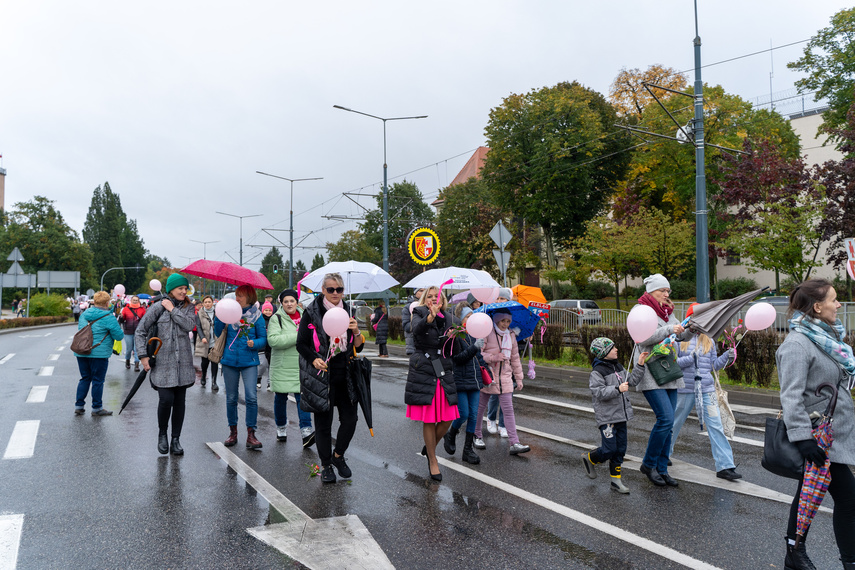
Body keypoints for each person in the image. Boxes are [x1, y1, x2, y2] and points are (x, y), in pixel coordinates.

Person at [776, 279, 855, 570]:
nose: (838, 305)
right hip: (818, 439)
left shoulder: (826, 339)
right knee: (848, 500)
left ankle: (793, 554)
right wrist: (803, 438)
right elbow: (791, 396)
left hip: (831, 436)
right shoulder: (797, 344)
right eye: (834, 300)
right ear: (817, 306)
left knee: (808, 495)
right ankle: (847, 560)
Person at [297, 273, 364, 483]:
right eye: (331, 290)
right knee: (324, 424)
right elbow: (301, 344)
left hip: (345, 373)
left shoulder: (349, 311)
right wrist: (314, 359)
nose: (335, 294)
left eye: (339, 290)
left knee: (351, 420)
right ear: (323, 291)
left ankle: (338, 456)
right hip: (321, 374)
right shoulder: (311, 312)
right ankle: (326, 465)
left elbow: (358, 345)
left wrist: (357, 331)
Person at [671, 307, 741, 481]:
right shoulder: (679, 339)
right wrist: (690, 358)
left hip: (707, 389)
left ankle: (725, 466)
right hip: (685, 389)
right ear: (689, 319)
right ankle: (663, 455)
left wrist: (726, 355)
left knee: (716, 425)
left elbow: (713, 366)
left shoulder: (708, 339)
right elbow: (673, 364)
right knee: (673, 424)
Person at [634, 274, 687, 487]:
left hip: (668, 371)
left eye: (668, 291)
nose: (666, 294)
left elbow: (678, 337)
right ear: (651, 291)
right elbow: (642, 337)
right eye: (663, 290)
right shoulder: (640, 311)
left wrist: (689, 330)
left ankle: (662, 469)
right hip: (649, 371)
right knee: (665, 419)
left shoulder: (668, 313)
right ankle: (648, 464)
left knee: (669, 425)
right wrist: (669, 329)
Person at [135, 274, 197, 455]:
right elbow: (140, 331)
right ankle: (162, 434)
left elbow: (188, 325)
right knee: (166, 400)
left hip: (183, 364)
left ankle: (175, 439)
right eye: (180, 289)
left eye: (186, 289)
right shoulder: (157, 307)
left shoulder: (188, 307)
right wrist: (143, 356)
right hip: (162, 363)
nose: (184, 291)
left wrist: (172, 310)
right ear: (171, 289)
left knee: (179, 402)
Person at [405, 286, 459, 481]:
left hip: (443, 368)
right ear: (424, 300)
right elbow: (416, 333)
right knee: (429, 418)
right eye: (430, 296)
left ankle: (430, 448)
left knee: (448, 417)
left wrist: (456, 337)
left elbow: (457, 348)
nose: (434, 299)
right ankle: (433, 460)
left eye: (437, 296)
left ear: (443, 300)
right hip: (425, 369)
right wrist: (430, 318)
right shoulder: (418, 313)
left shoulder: (451, 318)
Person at [582, 337, 648, 494]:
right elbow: (598, 392)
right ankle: (590, 458)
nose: (616, 349)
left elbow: (631, 381)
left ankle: (615, 481)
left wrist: (640, 364)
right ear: (604, 353)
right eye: (612, 348)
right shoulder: (597, 372)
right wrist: (617, 389)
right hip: (607, 419)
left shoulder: (617, 366)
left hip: (621, 417)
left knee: (620, 450)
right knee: (609, 449)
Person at [214, 284, 267, 450]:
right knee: (231, 398)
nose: (237, 298)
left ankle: (251, 434)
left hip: (249, 362)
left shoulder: (257, 316)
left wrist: (254, 343)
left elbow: (263, 339)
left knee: (251, 397)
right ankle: (233, 432)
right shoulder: (229, 313)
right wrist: (219, 316)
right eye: (236, 295)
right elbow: (217, 332)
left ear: (250, 297)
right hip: (229, 361)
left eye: (241, 296)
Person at [473, 309, 531, 455]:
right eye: (503, 321)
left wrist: (519, 378)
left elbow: (515, 358)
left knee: (509, 411)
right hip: (488, 376)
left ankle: (515, 442)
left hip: (505, 376)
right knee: (480, 408)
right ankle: (477, 435)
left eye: (508, 321)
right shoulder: (487, 332)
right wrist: (493, 358)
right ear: (497, 320)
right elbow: (478, 354)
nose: (506, 324)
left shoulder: (511, 334)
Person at [266, 289, 315, 447]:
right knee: (280, 398)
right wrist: (299, 336)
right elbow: (273, 340)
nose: (289, 304)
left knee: (303, 398)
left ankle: (306, 431)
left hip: (302, 364)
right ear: (281, 303)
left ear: (296, 302)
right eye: (285, 301)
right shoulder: (276, 318)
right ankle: (281, 427)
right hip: (282, 366)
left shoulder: (306, 316)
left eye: (292, 301)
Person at [444, 307, 488, 464]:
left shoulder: (474, 335)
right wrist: (474, 347)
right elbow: (458, 358)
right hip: (461, 381)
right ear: (460, 319)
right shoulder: (455, 336)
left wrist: (488, 373)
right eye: (468, 316)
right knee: (463, 413)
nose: (471, 319)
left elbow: (479, 358)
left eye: (472, 316)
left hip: (474, 380)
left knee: (474, 415)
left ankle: (468, 450)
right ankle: (451, 433)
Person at [73, 291, 125, 416]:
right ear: (107, 303)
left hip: (82, 351)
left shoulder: (84, 314)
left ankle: (79, 406)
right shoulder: (108, 317)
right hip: (99, 354)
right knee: (97, 380)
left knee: (85, 378)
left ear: (94, 301)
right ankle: (96, 408)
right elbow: (119, 335)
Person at [486, 287, 514, 438]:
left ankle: (503, 424)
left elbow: (516, 346)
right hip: (493, 364)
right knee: (494, 395)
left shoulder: (512, 315)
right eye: (498, 298)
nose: (500, 301)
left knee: (508, 396)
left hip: (507, 365)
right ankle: (491, 419)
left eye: (503, 298)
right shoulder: (490, 314)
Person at [194, 295, 219, 391]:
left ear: (212, 303)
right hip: (204, 342)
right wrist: (202, 337)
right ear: (203, 304)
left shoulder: (217, 313)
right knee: (204, 363)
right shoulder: (199, 314)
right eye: (206, 302)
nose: (208, 304)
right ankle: (203, 376)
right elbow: (198, 327)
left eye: (209, 302)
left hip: (215, 341)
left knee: (215, 362)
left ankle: (214, 381)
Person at [119, 295, 146, 372]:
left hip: (138, 332)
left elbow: (145, 320)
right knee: (129, 349)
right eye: (133, 300)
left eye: (136, 300)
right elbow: (122, 320)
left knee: (136, 349)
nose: (135, 301)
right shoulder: (126, 309)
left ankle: (136, 364)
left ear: (139, 301)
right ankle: (127, 360)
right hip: (128, 331)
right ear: (131, 301)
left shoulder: (142, 309)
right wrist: (121, 317)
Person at [257, 301, 274, 389]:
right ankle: (258, 377)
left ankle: (269, 383)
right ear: (262, 311)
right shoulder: (260, 320)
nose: (268, 312)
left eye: (269, 310)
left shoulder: (274, 320)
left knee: (271, 365)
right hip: (262, 347)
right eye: (266, 310)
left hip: (271, 346)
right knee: (263, 364)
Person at [402, 288, 424, 356]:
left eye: (425, 290)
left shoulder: (430, 306)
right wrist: (416, 320)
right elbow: (406, 326)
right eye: (421, 291)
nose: (423, 292)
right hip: (413, 346)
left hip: (428, 346)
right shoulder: (408, 307)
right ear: (415, 292)